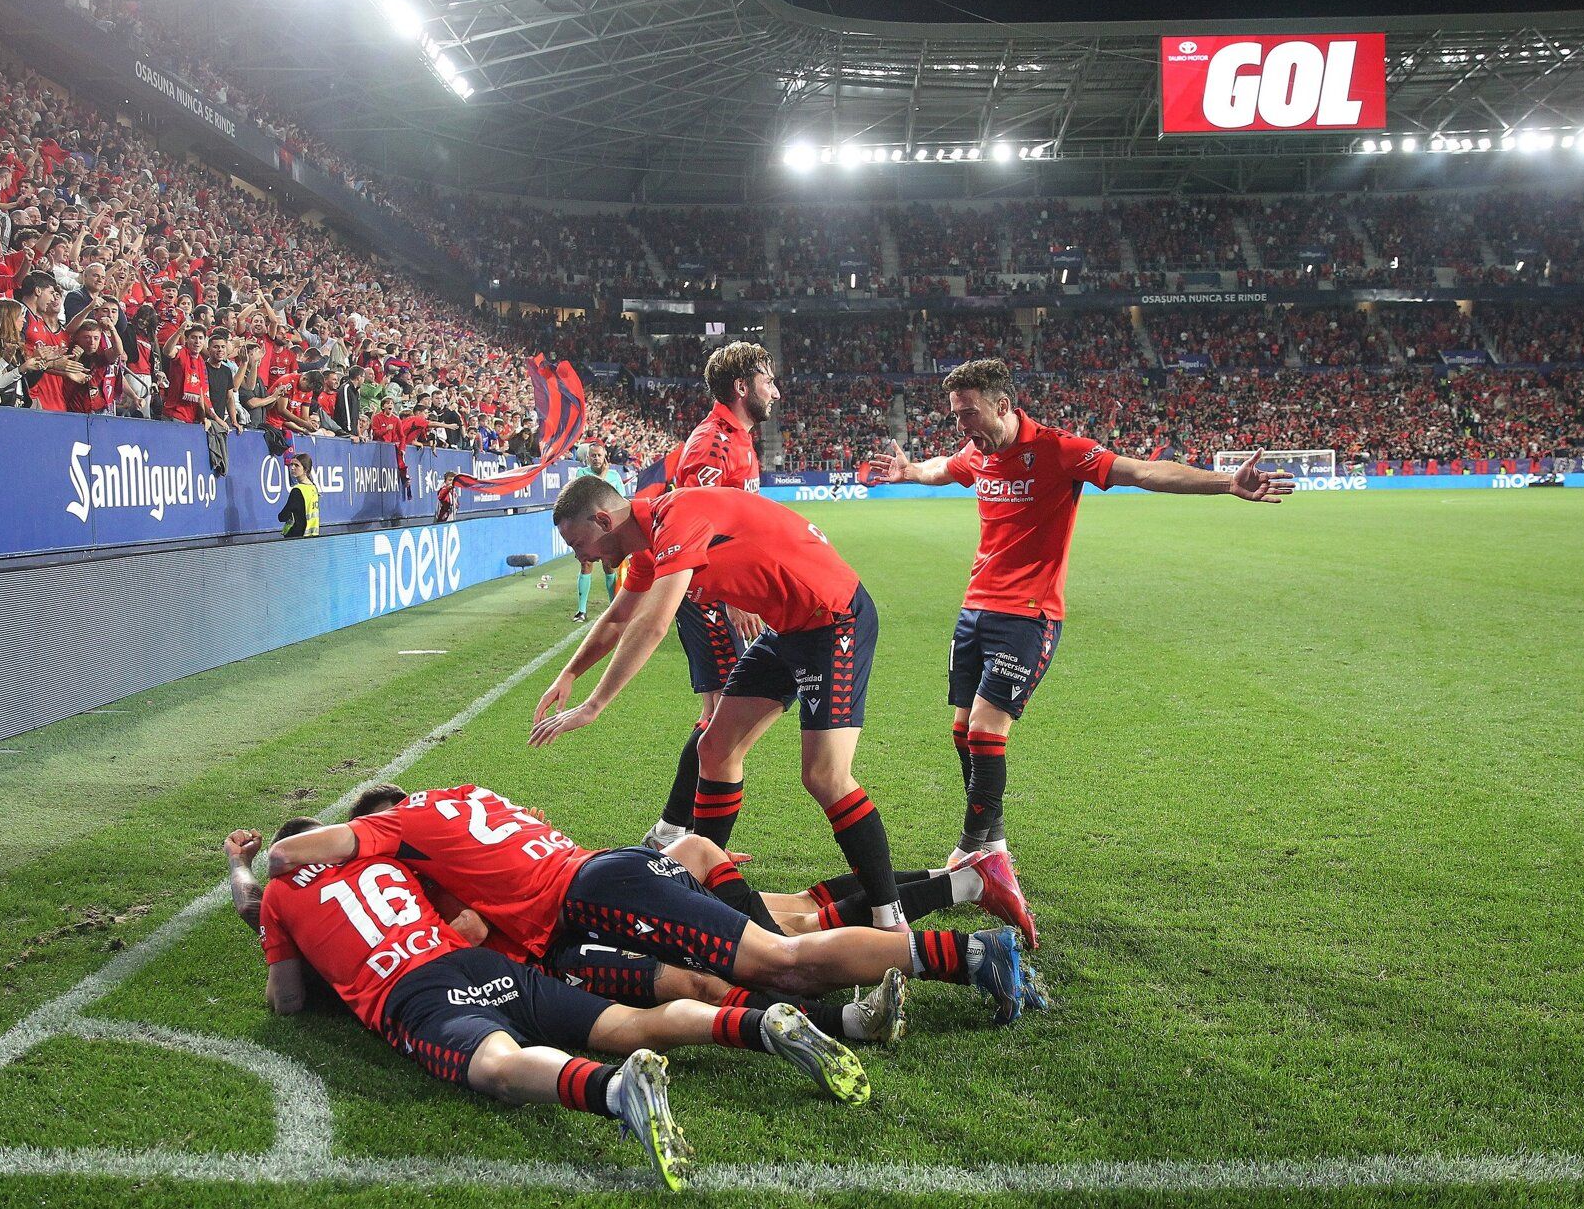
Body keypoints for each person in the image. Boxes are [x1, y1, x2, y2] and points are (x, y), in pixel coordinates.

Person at [869, 358, 1296, 944]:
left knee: (989, 733)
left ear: (1002, 403)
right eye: (956, 414)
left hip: (1029, 613)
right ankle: (991, 841)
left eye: (969, 411)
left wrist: (1225, 482)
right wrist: (907, 470)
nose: (962, 424)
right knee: (962, 731)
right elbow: (945, 468)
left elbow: (1143, 471)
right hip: (976, 608)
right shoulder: (979, 452)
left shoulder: (1060, 450)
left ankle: (973, 852)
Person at [249, 815, 871, 1190]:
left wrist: (255, 887)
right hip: (494, 963)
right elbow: (463, 919)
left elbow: (288, 999)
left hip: (416, 989)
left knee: (496, 1064)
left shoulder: (280, 891)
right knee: (634, 1023)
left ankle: (613, 1092)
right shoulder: (391, 858)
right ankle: (764, 1023)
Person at [268, 784, 1038, 1025]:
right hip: (599, 884)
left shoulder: (396, 833)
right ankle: (962, 901)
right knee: (784, 933)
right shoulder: (461, 796)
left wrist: (259, 870)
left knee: (783, 958)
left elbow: (301, 854)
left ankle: (972, 950)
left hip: (593, 896)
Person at [535, 478, 912, 932]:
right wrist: (570, 674)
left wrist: (594, 705)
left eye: (579, 544)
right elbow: (618, 617)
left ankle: (890, 921)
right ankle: (707, 895)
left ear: (603, 520)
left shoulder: (678, 517)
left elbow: (652, 624)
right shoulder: (646, 550)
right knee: (713, 750)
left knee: (824, 775)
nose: (582, 557)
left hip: (832, 618)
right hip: (784, 630)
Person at [646, 342, 774, 851]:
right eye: (768, 380)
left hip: (722, 596)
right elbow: (700, 529)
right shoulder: (712, 445)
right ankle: (678, 837)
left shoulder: (739, 438)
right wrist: (733, 595)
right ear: (742, 387)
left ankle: (682, 835)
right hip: (709, 599)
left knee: (721, 720)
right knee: (721, 720)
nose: (776, 390)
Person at [571, 442, 625, 622]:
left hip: (608, 530)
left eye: (599, 455)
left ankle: (613, 608)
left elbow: (621, 501)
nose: (595, 458)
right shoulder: (581, 474)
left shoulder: (615, 476)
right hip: (587, 529)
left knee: (609, 566)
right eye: (592, 455)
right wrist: (602, 475)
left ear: (604, 456)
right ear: (587, 458)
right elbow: (592, 494)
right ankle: (581, 610)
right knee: (586, 564)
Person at [278, 452, 320, 538]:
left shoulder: (298, 490)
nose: (292, 468)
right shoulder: (313, 488)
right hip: (311, 535)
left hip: (296, 537)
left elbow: (282, 516)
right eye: (291, 464)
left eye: (296, 465)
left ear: (306, 470)